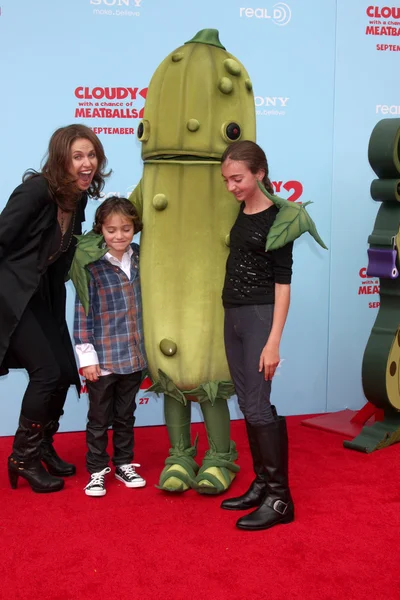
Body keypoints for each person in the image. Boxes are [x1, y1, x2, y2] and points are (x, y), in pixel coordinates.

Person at [0, 124, 110, 493]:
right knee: (46, 371)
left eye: (91, 155)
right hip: (11, 296)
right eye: (78, 155)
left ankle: (43, 445)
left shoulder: (76, 198)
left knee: (64, 369)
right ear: (61, 158)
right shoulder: (35, 192)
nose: (87, 163)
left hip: (42, 296)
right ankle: (22, 457)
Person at [219, 140, 295, 531]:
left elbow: (283, 285)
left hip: (260, 318)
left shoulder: (281, 218)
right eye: (227, 180)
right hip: (233, 315)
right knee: (250, 404)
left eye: (238, 179)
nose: (231, 186)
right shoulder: (242, 210)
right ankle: (264, 484)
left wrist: (273, 341)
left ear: (259, 174)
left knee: (257, 404)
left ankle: (280, 499)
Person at [73, 197, 147, 497]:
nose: (119, 235)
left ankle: (124, 463)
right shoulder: (91, 266)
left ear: (135, 228)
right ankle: (96, 469)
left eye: (126, 228)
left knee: (126, 416)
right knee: (99, 419)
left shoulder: (143, 257)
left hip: (133, 355)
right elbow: (82, 313)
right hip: (102, 359)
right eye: (111, 229)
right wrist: (87, 358)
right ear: (100, 230)